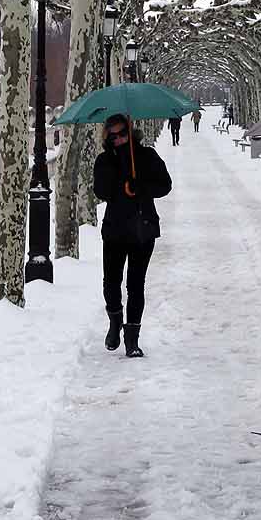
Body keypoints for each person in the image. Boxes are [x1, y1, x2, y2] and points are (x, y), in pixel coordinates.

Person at [93, 115, 172, 359]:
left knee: (136, 284)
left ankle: (132, 339)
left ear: (130, 132)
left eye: (122, 134)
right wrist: (120, 180)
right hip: (115, 229)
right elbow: (100, 191)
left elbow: (165, 185)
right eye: (113, 136)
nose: (118, 139)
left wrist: (142, 186)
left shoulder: (147, 156)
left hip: (142, 228)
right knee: (112, 282)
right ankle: (115, 322)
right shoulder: (104, 160)